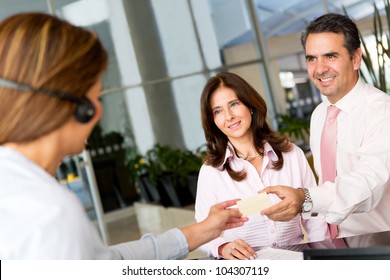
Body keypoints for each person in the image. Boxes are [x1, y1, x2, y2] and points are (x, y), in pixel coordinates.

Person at [0, 12, 248, 260]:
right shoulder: (51, 213)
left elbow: (105, 259)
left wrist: (202, 230)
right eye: (96, 98)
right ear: (78, 107)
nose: (99, 112)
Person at [262, 13, 390, 246]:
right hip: (332, 243)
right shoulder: (320, 114)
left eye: (330, 56)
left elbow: (366, 184)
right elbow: (324, 182)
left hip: (377, 243)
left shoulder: (382, 111)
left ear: (356, 58)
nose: (319, 69)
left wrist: (304, 198)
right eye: (312, 59)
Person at [195, 72, 327, 259]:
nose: (229, 116)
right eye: (218, 111)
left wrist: (323, 261)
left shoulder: (291, 155)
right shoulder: (211, 172)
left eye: (234, 104)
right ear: (213, 121)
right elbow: (202, 228)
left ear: (249, 105)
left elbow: (315, 215)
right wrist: (222, 247)